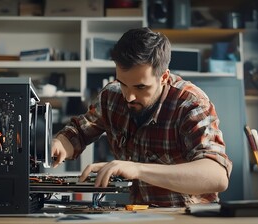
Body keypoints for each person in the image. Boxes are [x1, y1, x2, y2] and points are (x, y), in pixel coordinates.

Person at [51, 27, 232, 207]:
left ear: (163, 77)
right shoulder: (111, 96)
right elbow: (78, 132)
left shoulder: (190, 103)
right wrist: (59, 144)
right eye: (123, 84)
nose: (129, 96)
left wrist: (137, 169)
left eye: (140, 87)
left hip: (189, 221)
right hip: (140, 217)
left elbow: (217, 176)